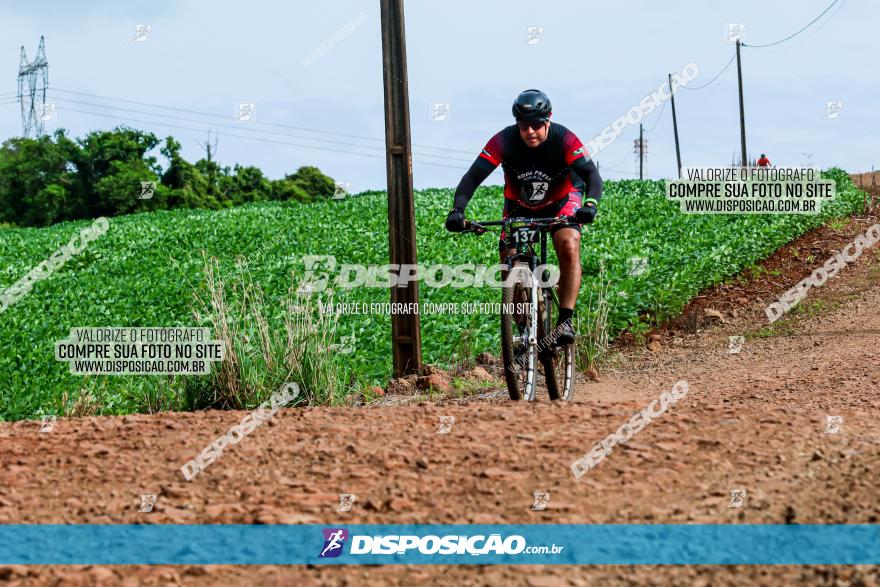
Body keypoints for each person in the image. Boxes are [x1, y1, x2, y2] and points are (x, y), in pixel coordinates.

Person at [444, 89, 603, 346]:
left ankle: (565, 320)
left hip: (561, 202)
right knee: (509, 262)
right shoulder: (503, 141)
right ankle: (521, 331)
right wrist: (457, 211)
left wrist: (591, 205)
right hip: (519, 206)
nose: (530, 132)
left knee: (568, 244)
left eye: (537, 126)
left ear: (548, 121)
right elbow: (472, 178)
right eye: (524, 126)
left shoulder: (565, 139)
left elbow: (592, 176)